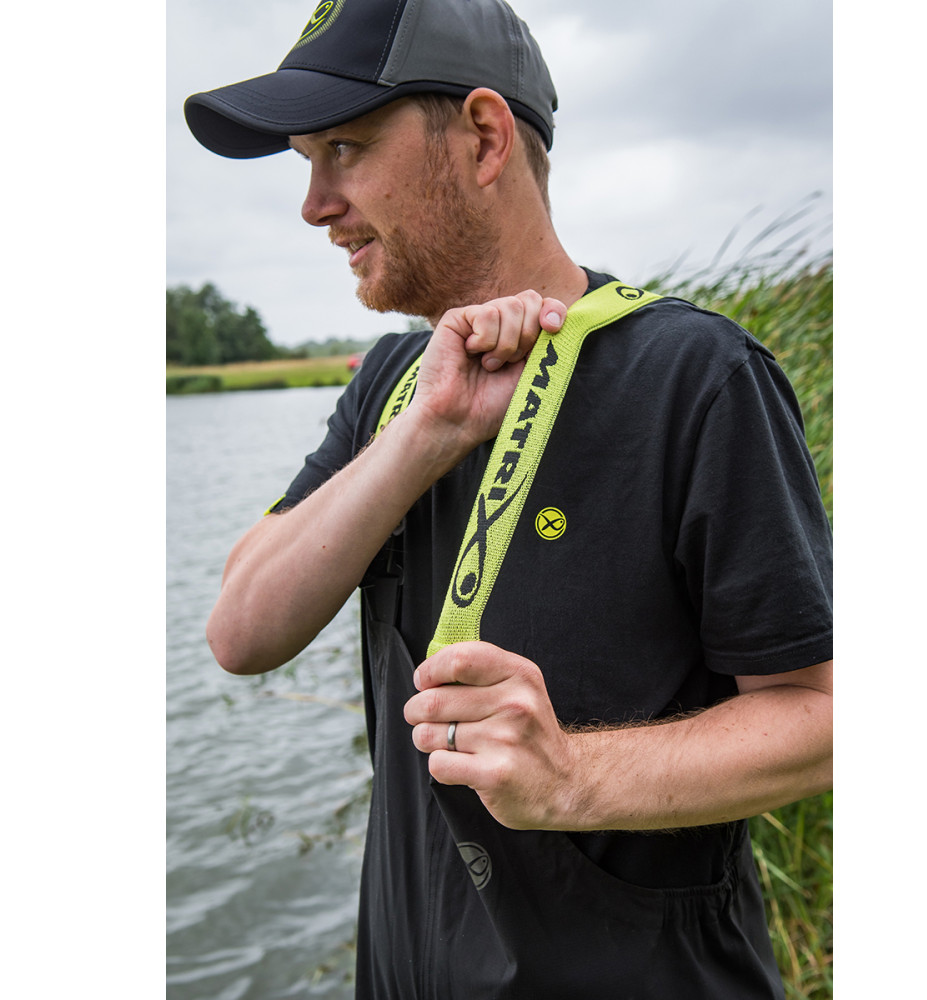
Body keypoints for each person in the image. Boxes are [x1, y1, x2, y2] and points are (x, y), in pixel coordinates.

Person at [185, 1, 833, 996]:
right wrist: (427, 433)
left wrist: (573, 775)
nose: (314, 204)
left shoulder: (695, 377)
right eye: (307, 162)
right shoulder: (393, 388)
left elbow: (822, 716)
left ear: (485, 137)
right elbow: (240, 630)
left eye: (344, 149)